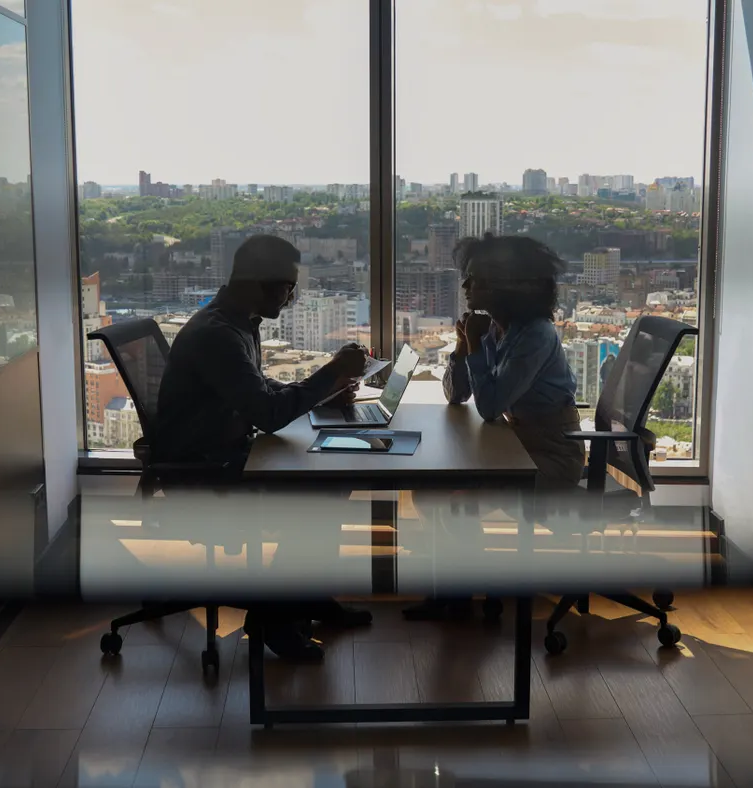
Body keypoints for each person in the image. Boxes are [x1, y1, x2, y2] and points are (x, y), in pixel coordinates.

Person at [152, 234, 372, 660]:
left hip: (226, 452)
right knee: (322, 494)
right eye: (288, 287)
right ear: (257, 282)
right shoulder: (218, 334)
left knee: (332, 480)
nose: (292, 298)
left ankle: (302, 598)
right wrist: (330, 372)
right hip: (204, 469)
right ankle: (275, 615)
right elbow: (268, 414)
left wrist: (325, 391)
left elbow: (259, 392)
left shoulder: (237, 323)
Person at [404, 233, 583, 621]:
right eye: (468, 278)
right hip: (517, 444)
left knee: (452, 501)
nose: (466, 287)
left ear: (509, 286)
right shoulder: (495, 328)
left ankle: (465, 592)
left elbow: (489, 406)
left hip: (551, 454)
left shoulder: (535, 334)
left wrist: (473, 347)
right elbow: (456, 396)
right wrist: (460, 346)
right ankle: (454, 592)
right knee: (427, 492)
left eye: (477, 280)